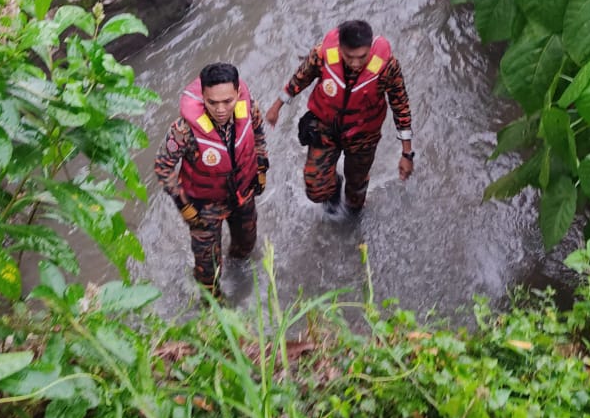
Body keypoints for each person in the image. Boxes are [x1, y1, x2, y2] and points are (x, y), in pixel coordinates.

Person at [266, 19, 413, 219]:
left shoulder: (387, 67)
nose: (355, 63)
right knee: (316, 189)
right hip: (326, 127)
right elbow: (301, 77)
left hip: (364, 135)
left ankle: (351, 222)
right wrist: (277, 106)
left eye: (362, 57)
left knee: (355, 199)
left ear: (370, 48)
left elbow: (400, 104)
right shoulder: (323, 54)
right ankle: (333, 186)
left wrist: (407, 153)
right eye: (349, 56)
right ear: (340, 48)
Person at [154, 62, 269, 296]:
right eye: (212, 102)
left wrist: (261, 167)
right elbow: (163, 166)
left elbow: (258, 134)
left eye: (227, 101)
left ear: (238, 93)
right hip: (203, 208)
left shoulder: (249, 109)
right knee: (207, 272)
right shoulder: (184, 130)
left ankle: (242, 290)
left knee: (246, 247)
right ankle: (213, 313)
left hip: (242, 195)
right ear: (202, 97)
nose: (220, 109)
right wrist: (183, 204)